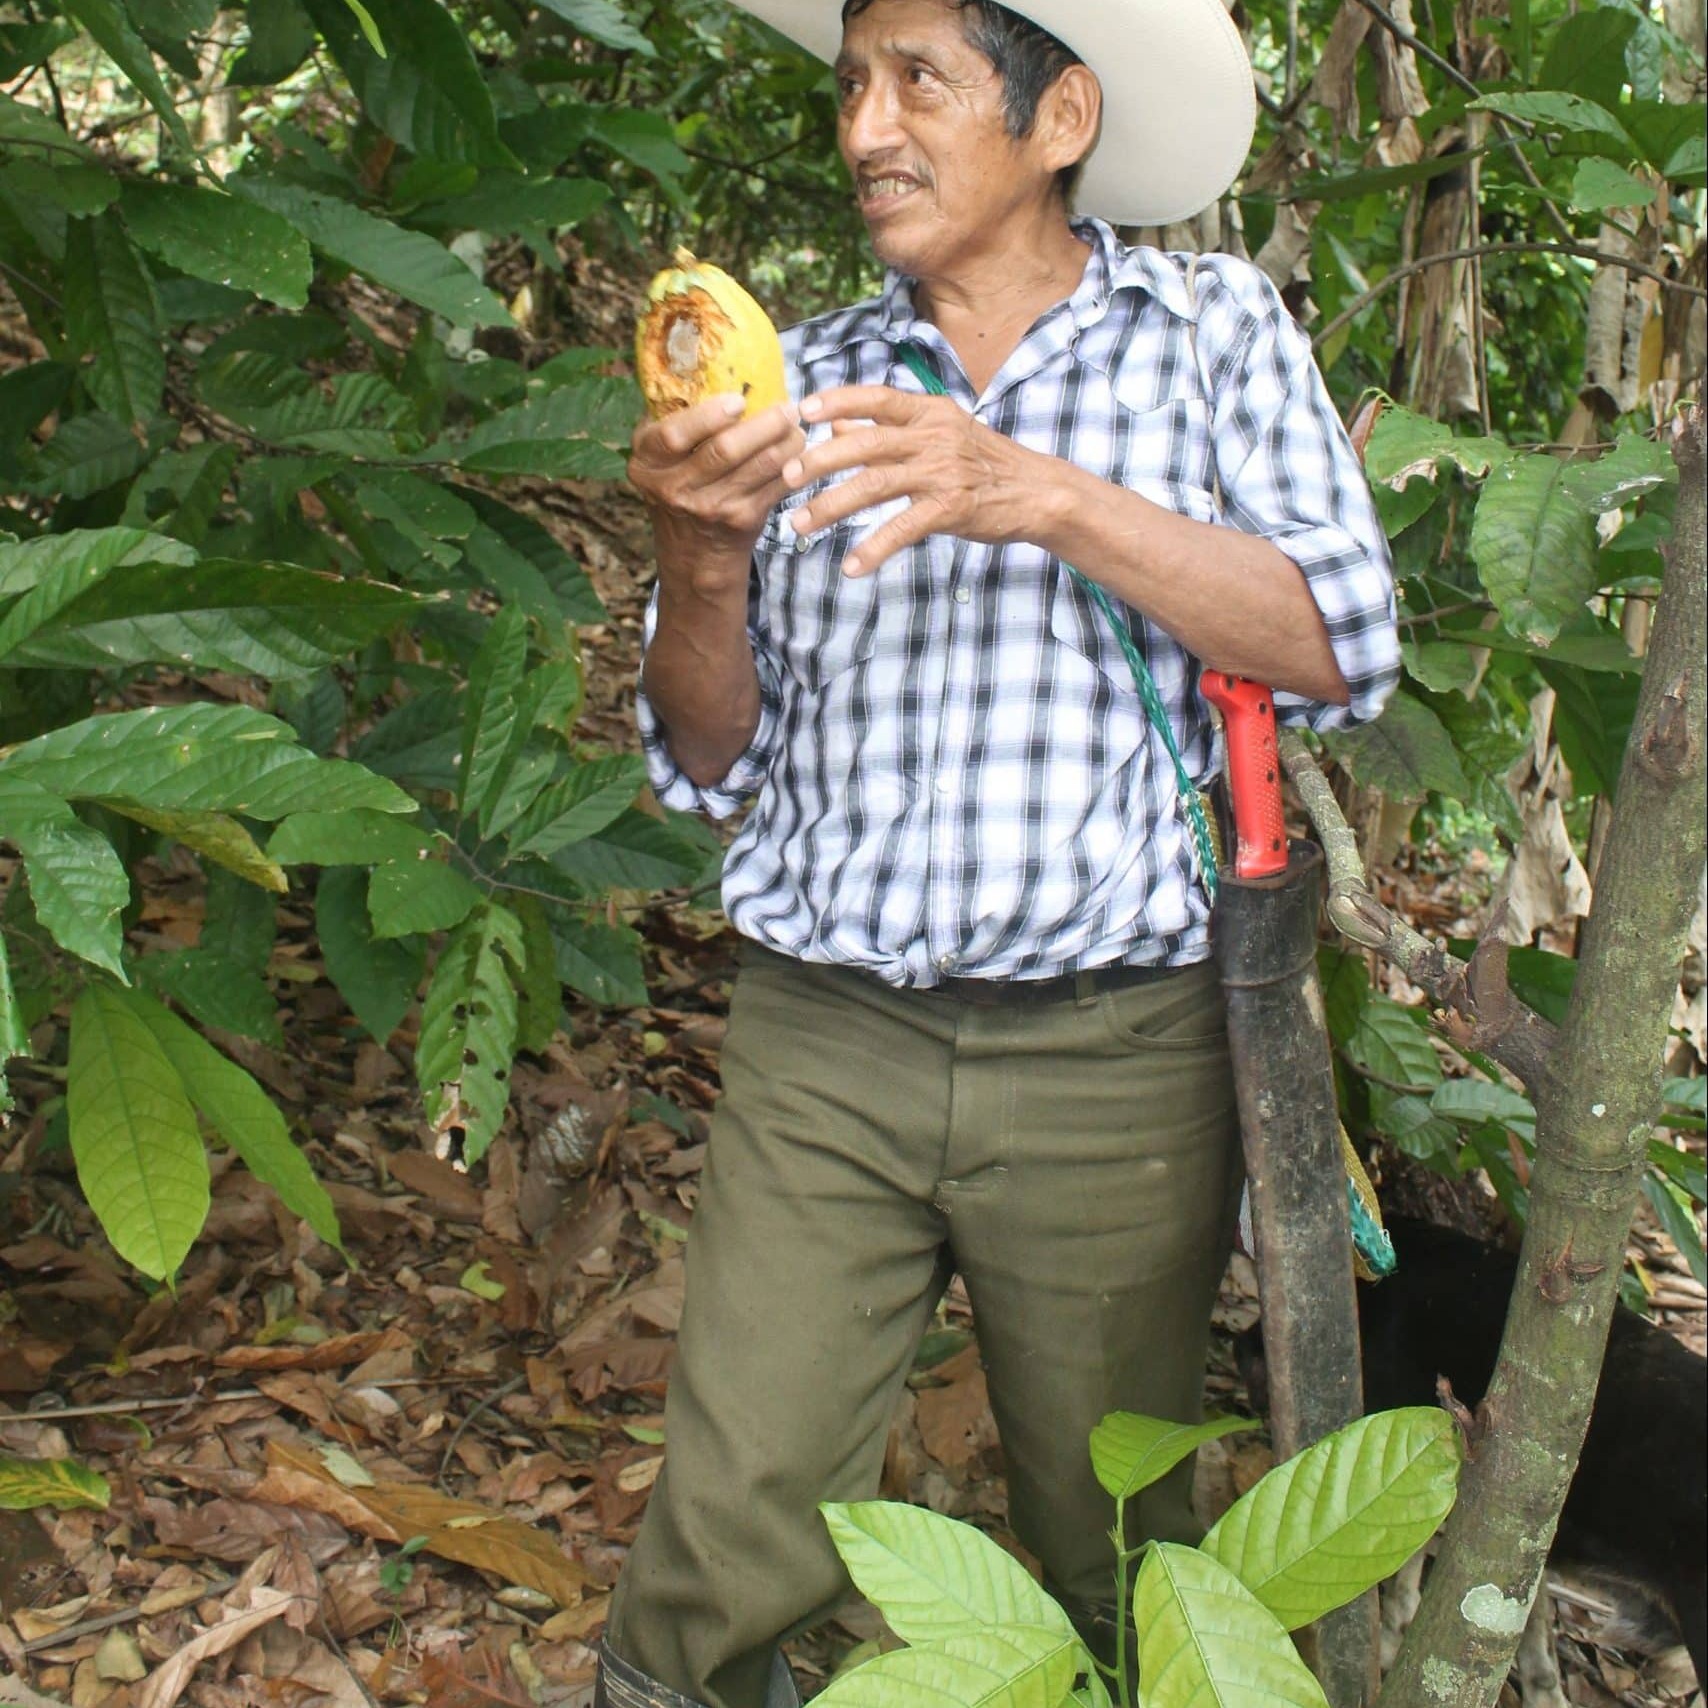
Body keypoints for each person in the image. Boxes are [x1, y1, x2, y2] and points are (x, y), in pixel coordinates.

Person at [601, 1, 1400, 1704]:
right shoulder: (794, 377)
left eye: (921, 82)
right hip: (830, 1038)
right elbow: (705, 756)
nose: (867, 129)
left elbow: (1341, 640)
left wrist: (1038, 492)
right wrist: (701, 561)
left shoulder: (1208, 333)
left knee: (1110, 1534)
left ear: (1061, 117)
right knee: (729, 1531)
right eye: (850, 86)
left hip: (1118, 1055)